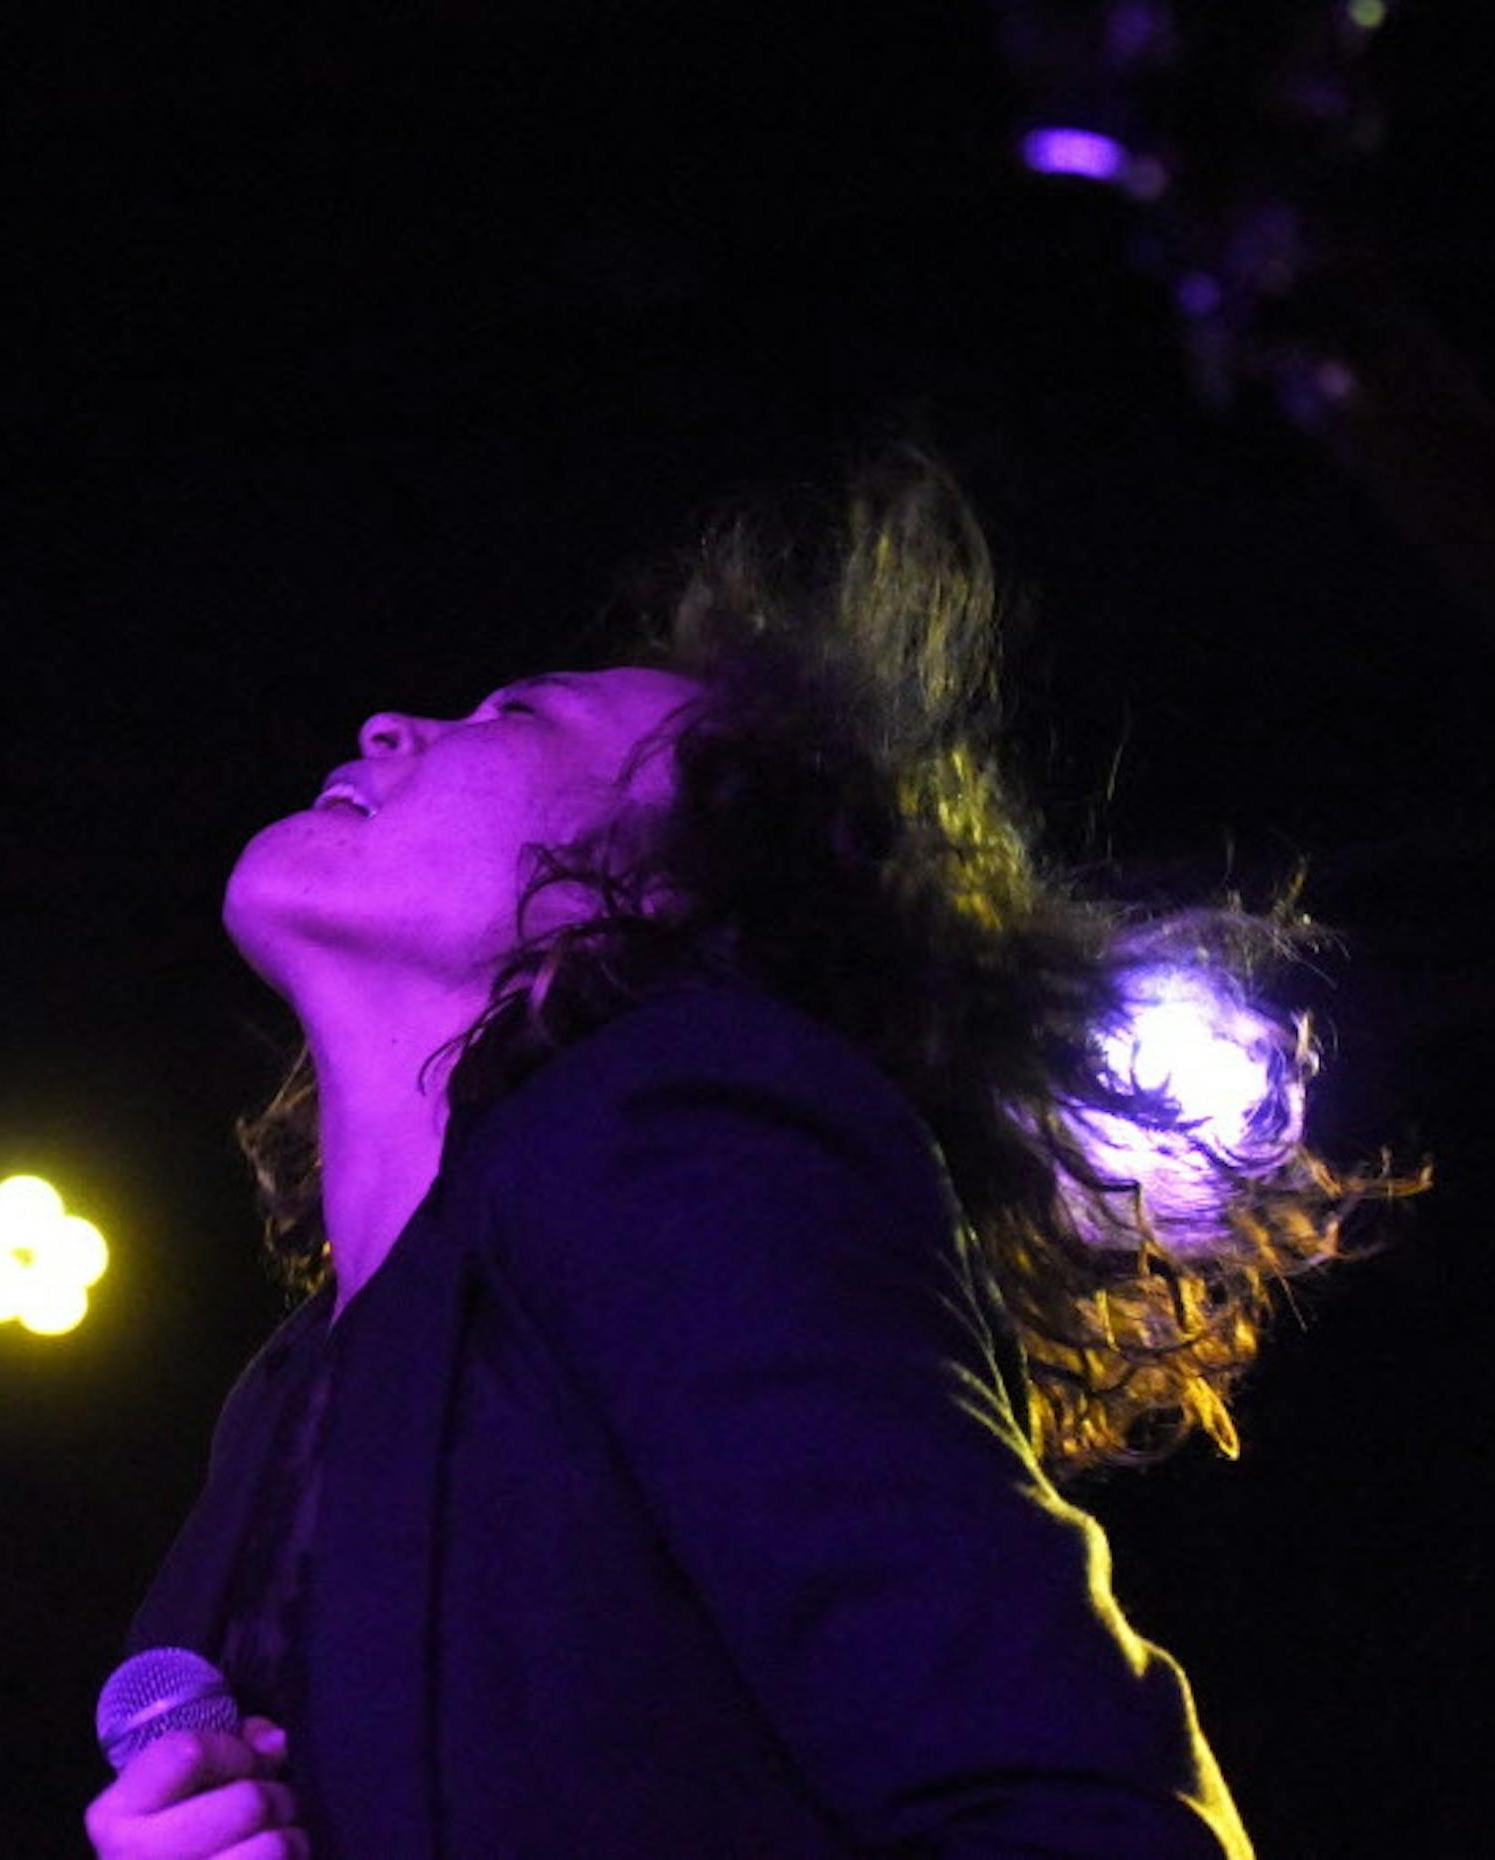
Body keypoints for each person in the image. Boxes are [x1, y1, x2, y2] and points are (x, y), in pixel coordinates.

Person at [83, 450, 1426, 1858]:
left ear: (663, 880)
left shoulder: (677, 1129)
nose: (388, 728)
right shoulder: (278, 1406)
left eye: (519, 716)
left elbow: (1069, 1807)